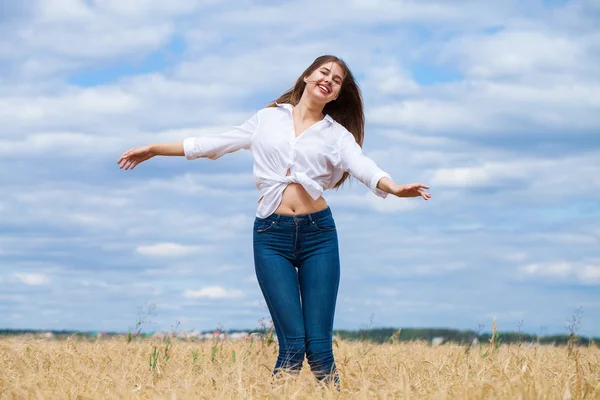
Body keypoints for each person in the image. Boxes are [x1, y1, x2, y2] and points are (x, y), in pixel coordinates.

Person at [117, 55, 431, 389]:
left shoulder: (336, 136)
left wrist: (394, 188)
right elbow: (214, 144)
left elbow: (364, 166)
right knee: (293, 346)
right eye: (324, 73)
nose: (329, 80)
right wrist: (155, 149)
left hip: (319, 236)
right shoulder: (267, 120)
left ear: (337, 94)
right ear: (307, 76)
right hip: (271, 236)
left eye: (337, 80)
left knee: (321, 350)